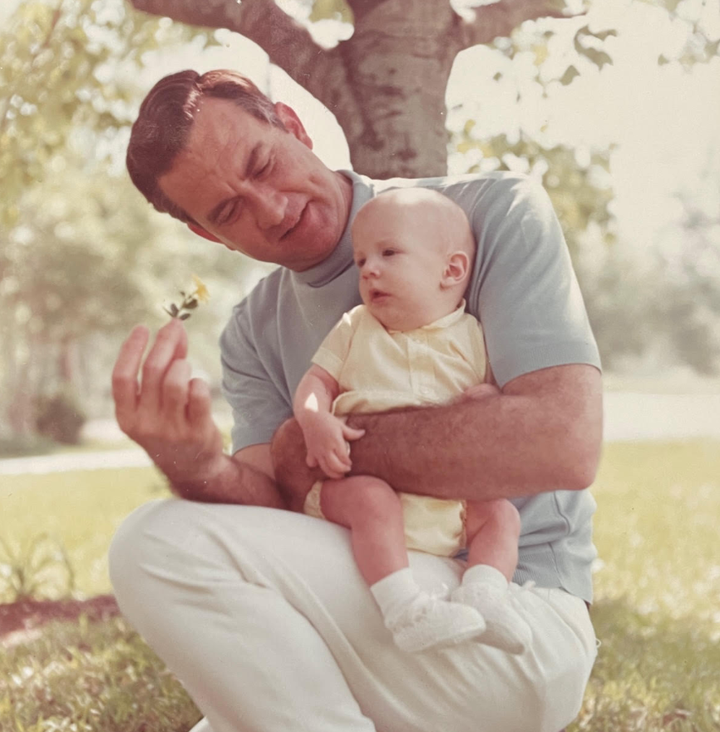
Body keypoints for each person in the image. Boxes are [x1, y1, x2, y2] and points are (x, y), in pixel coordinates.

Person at [110, 68, 603, 732]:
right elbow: (278, 515)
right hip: (381, 618)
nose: (274, 209)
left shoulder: (489, 216)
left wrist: (311, 448)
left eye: (264, 163)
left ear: (292, 123)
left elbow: (561, 443)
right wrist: (196, 466)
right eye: (229, 212)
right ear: (209, 237)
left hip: (512, 616)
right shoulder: (252, 332)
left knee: (152, 543)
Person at [294, 188, 531, 654]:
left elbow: (494, 399)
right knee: (373, 499)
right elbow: (315, 384)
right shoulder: (355, 326)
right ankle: (405, 610)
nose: (369, 270)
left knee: (499, 513)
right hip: (358, 484)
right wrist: (314, 421)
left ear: (452, 270)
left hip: (446, 503)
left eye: (389, 253)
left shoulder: (473, 336)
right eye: (361, 260)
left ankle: (485, 592)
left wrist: (488, 398)